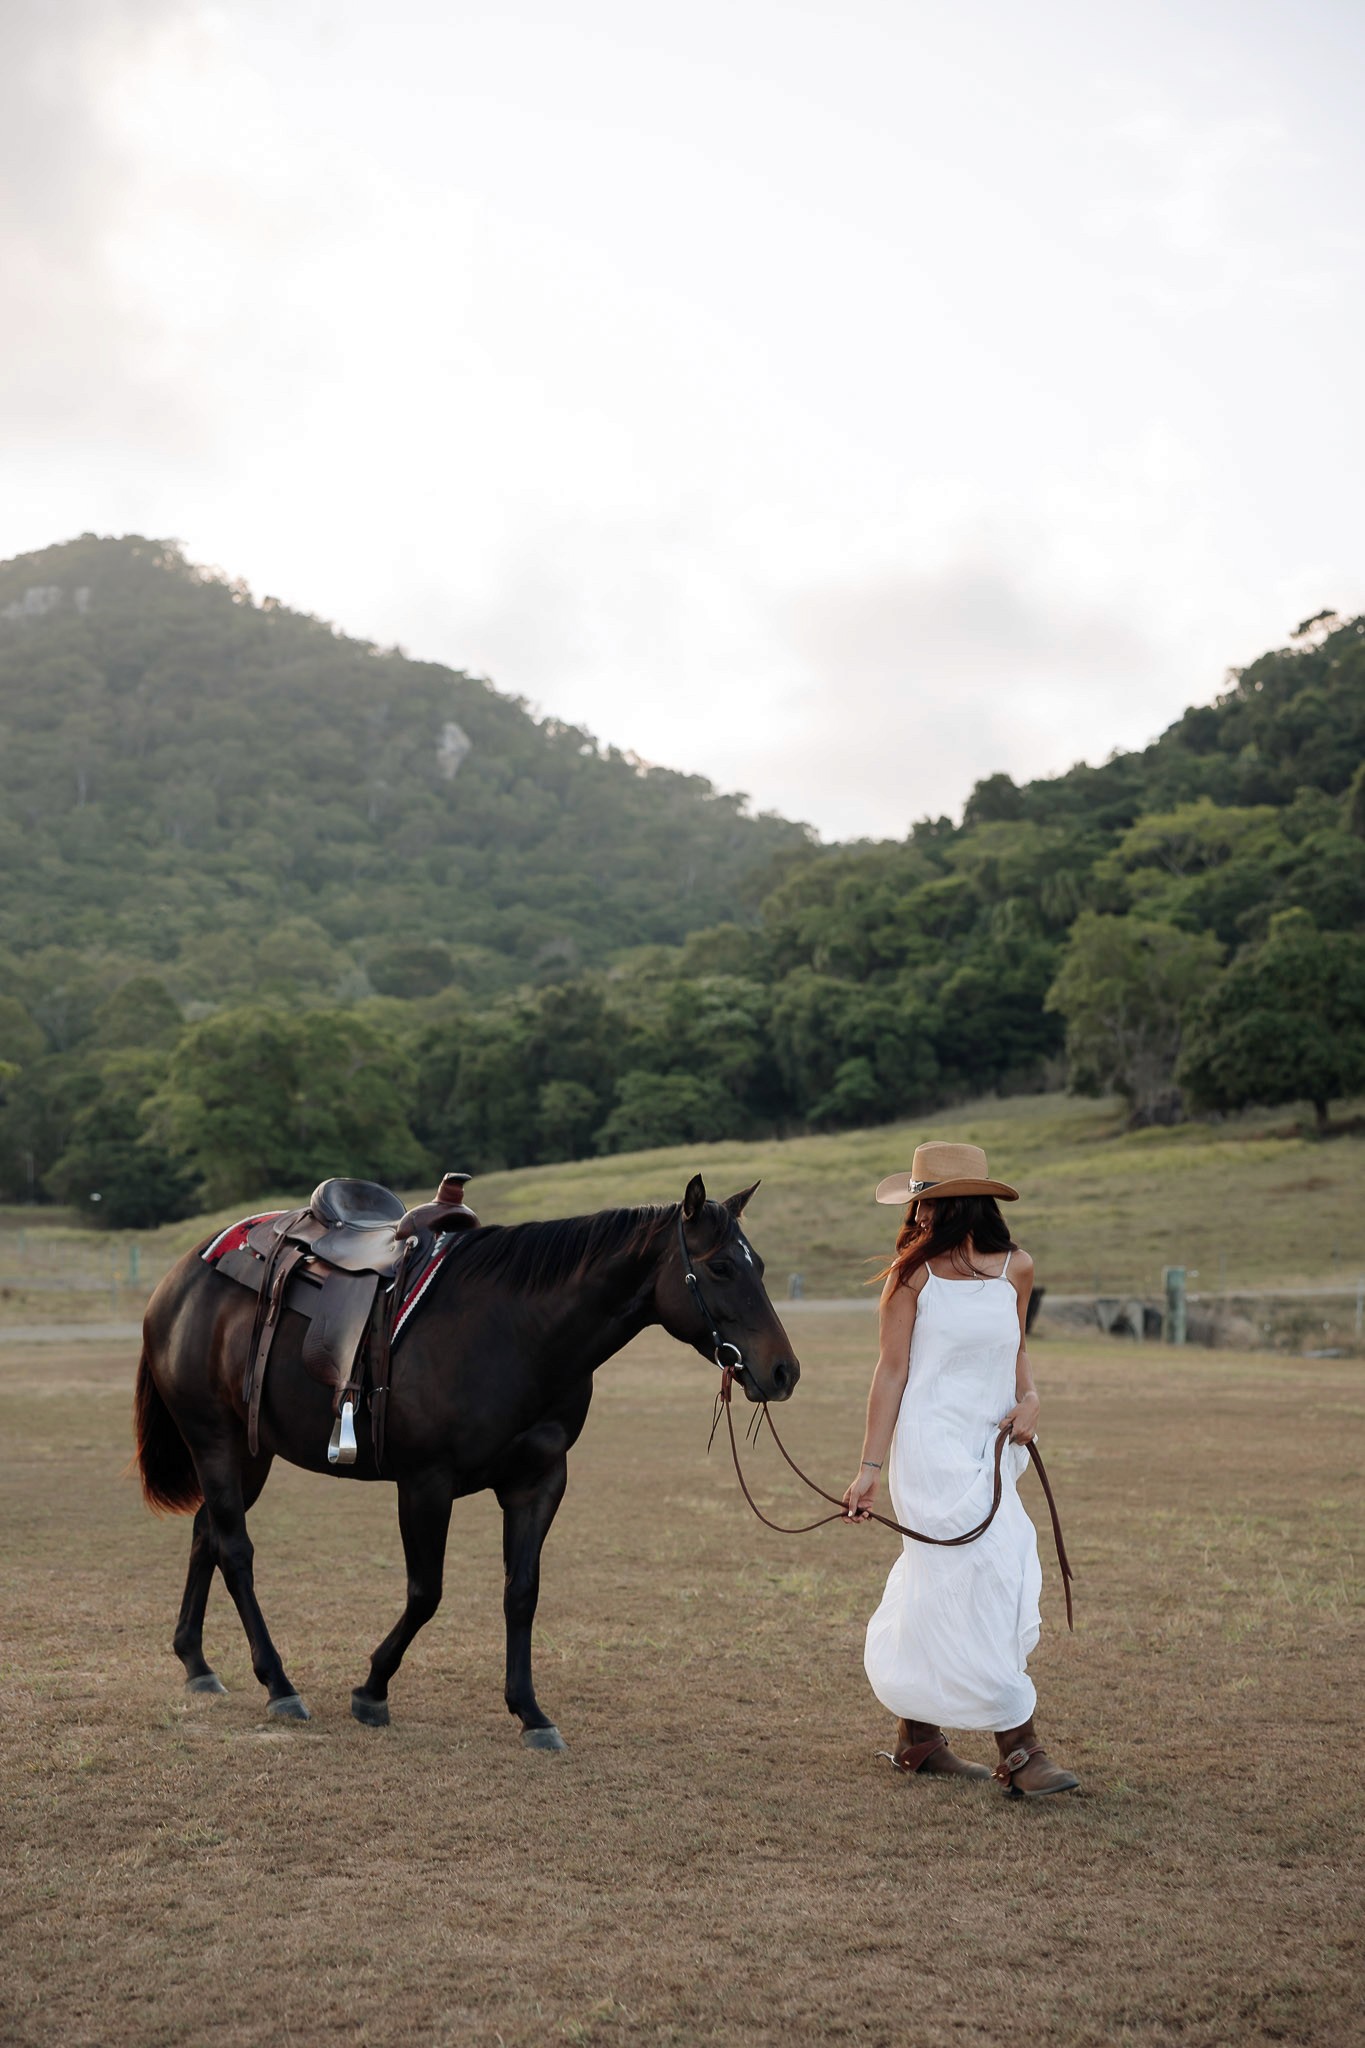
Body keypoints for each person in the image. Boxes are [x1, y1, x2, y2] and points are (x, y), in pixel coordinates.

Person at [842, 1142, 1079, 1797]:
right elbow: (890, 1372)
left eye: (925, 1203)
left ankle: (916, 1739)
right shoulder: (912, 1276)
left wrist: (1030, 1401)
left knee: (955, 1581)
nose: (916, 1216)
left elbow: (1017, 1352)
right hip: (930, 1449)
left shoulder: (1015, 1269)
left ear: (954, 1203)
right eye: (914, 1205)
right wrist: (867, 1467)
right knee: (982, 1574)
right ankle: (1022, 1751)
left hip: (992, 1445)